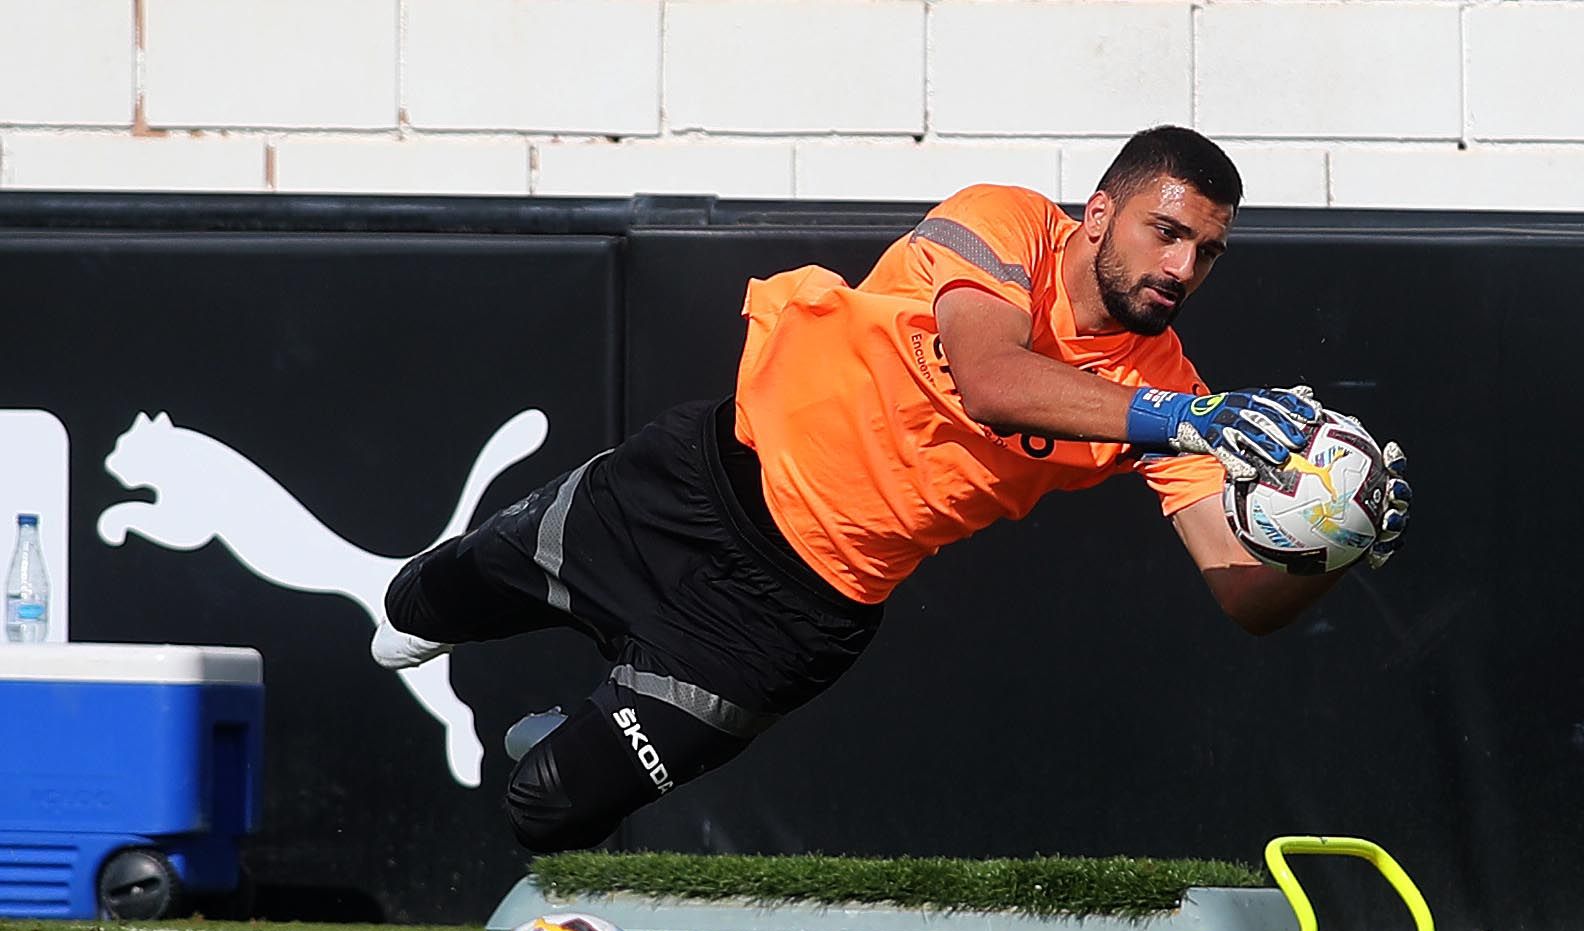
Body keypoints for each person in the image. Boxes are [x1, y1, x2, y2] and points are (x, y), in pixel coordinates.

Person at [371, 125, 1411, 854]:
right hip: (697, 485)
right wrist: (1182, 420)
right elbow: (996, 377)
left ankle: (566, 732)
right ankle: (463, 603)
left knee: (543, 808)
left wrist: (1333, 548)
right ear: (1099, 213)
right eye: (1166, 232)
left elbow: (1242, 594)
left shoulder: (1175, 387)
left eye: (1209, 252)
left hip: (796, 615)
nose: (1183, 267)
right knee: (422, 601)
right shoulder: (1002, 223)